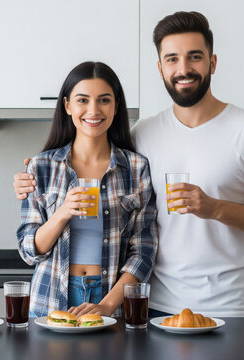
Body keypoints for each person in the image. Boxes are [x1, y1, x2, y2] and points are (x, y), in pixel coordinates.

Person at [13, 12, 244, 318]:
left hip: (226, 306)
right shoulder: (143, 135)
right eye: (172, 59)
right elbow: (90, 155)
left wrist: (213, 208)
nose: (183, 69)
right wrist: (31, 177)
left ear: (212, 63)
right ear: (160, 68)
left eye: (195, 57)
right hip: (153, 306)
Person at [16, 61, 158, 318]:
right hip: (50, 297)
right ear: (68, 105)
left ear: (115, 106)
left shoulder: (136, 167)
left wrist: (107, 305)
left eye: (104, 100)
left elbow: (144, 251)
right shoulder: (41, 166)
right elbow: (28, 250)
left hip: (111, 298)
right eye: (83, 100)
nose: (93, 110)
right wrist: (61, 213)